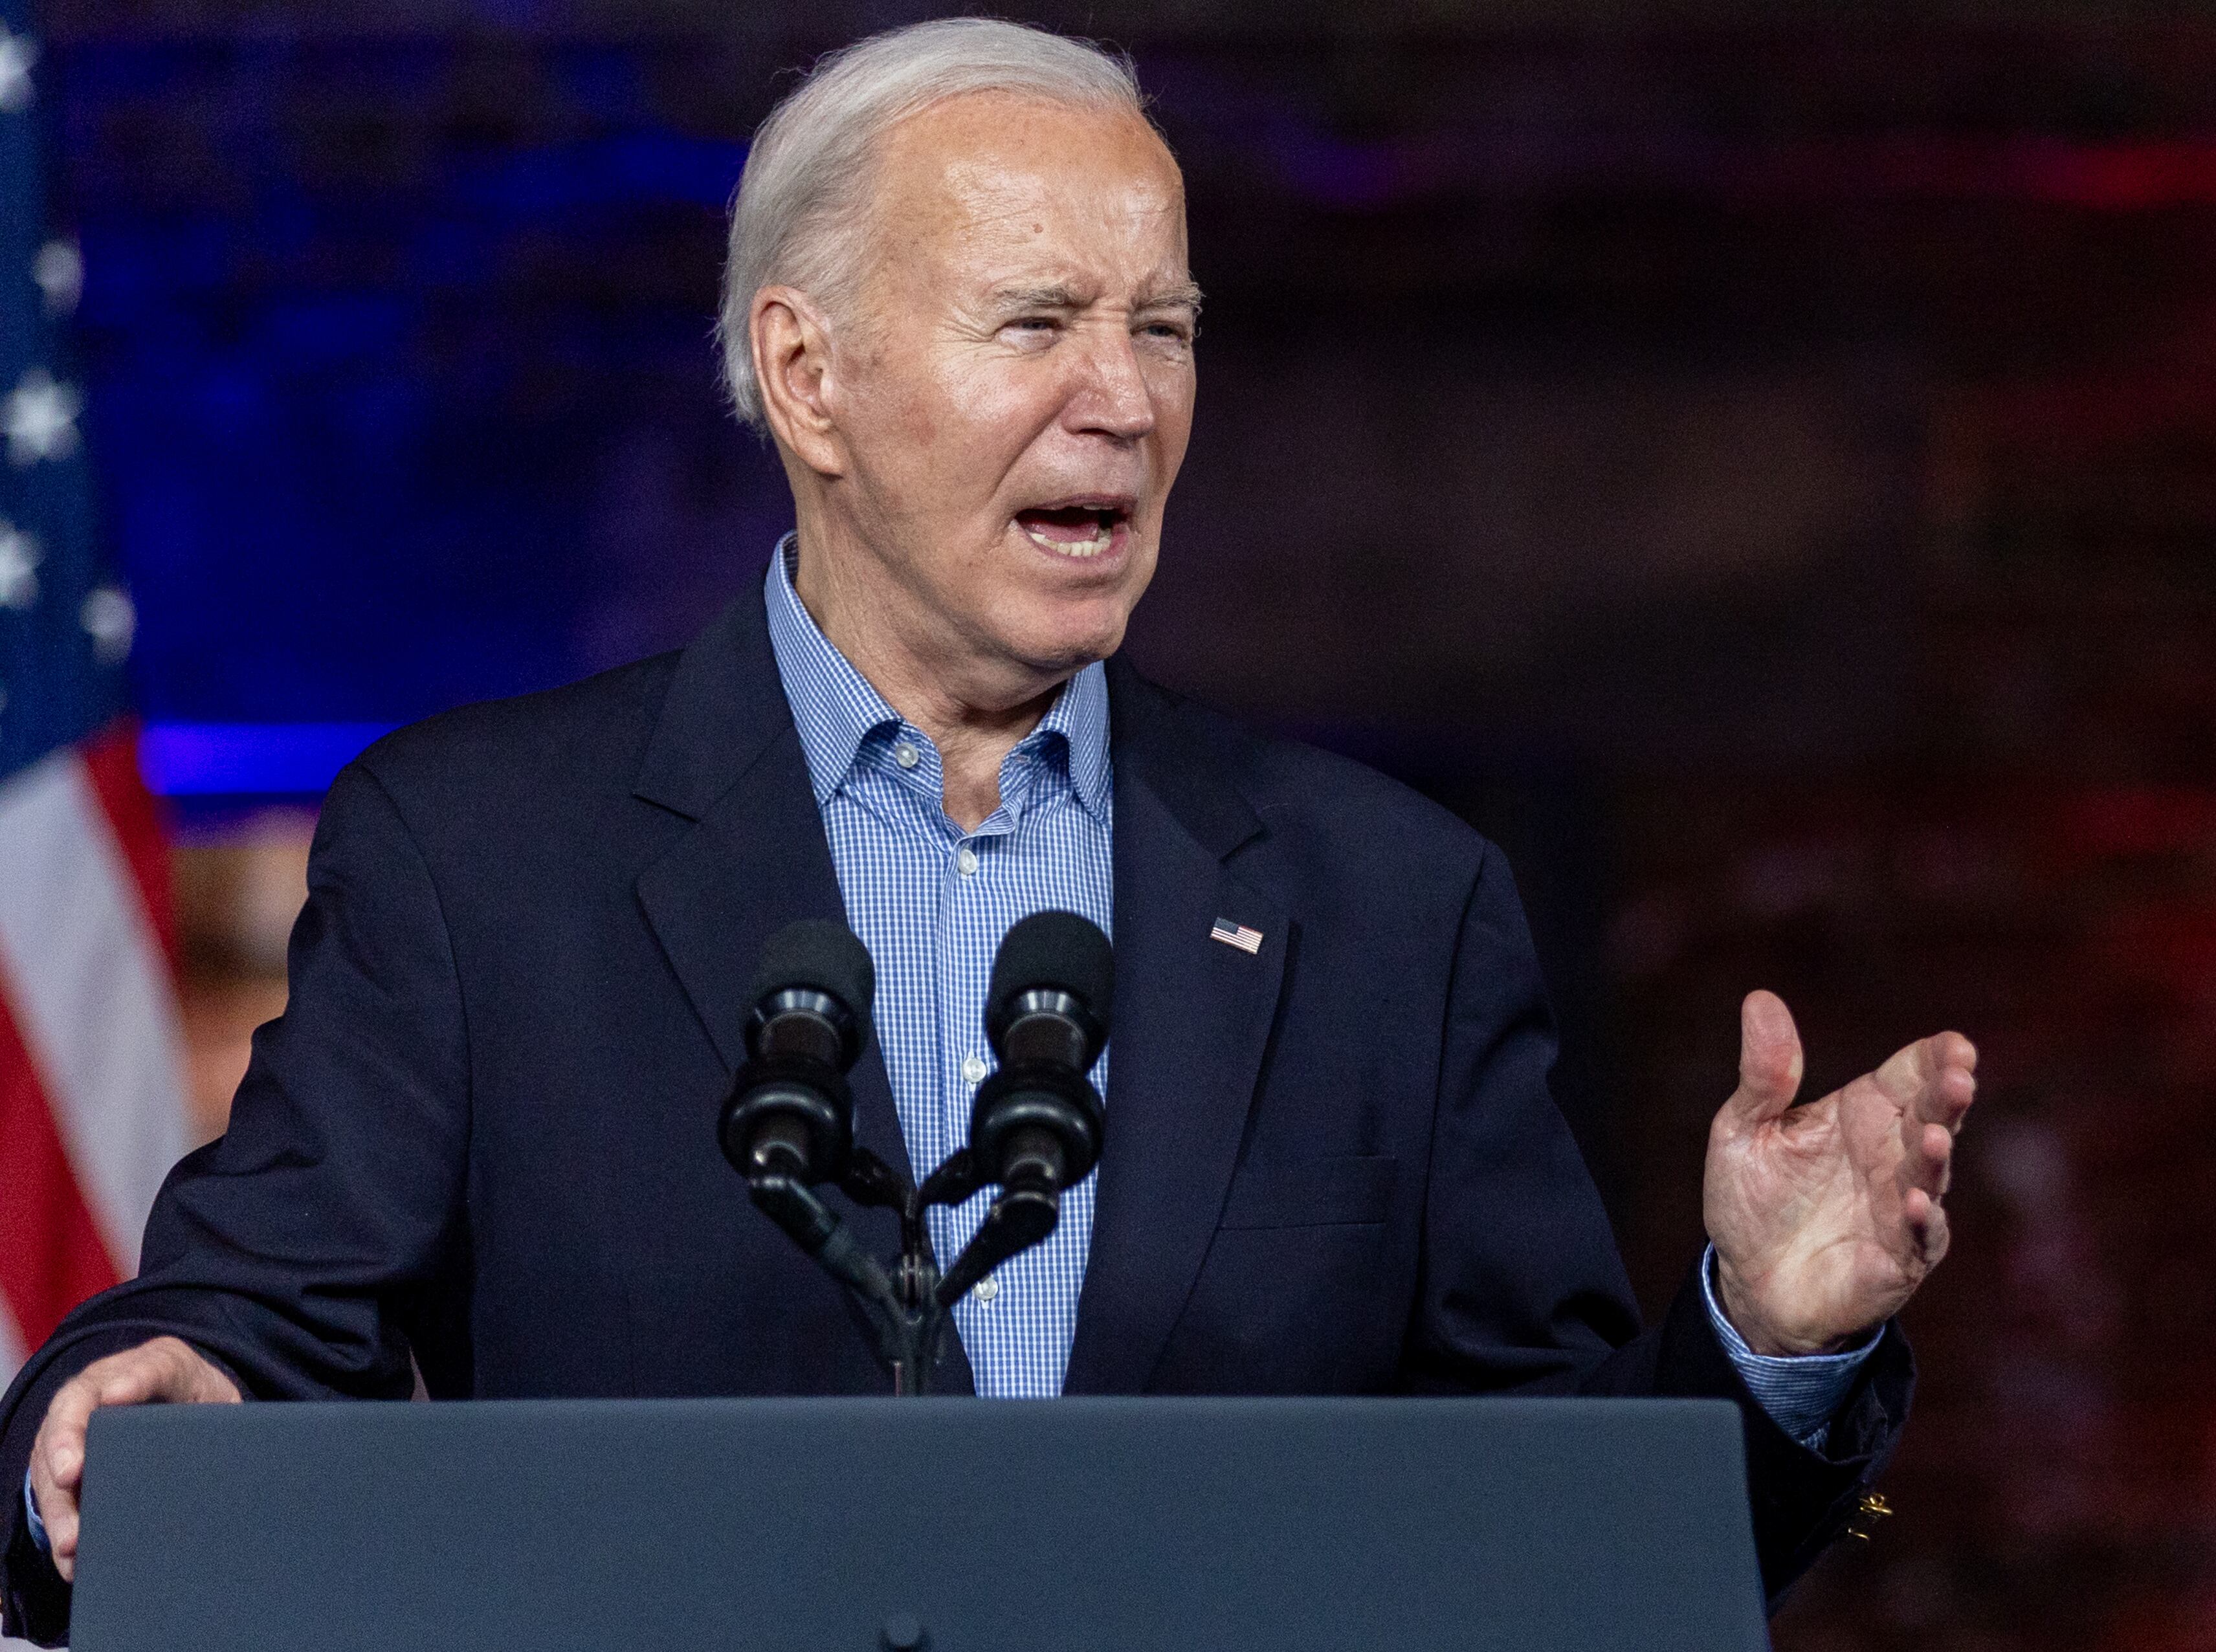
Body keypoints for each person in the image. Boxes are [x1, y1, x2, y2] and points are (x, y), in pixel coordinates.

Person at [0, 18, 1977, 1644]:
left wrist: (1766, 1340)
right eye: (1038, 321)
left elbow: (1560, 1544)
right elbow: (247, 1324)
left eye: (1166, 326)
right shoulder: (476, 854)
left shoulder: (1390, 906)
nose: (1122, 400)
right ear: (810, 376)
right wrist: (149, 1406)